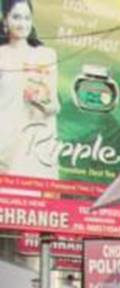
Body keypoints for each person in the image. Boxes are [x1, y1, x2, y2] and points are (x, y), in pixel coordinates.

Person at [0, 0, 60, 178]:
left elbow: (55, 106)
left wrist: (40, 100)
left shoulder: (45, 55)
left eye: (27, 18)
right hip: (4, 143)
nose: (22, 23)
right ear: (5, 20)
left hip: (34, 145)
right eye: (16, 17)